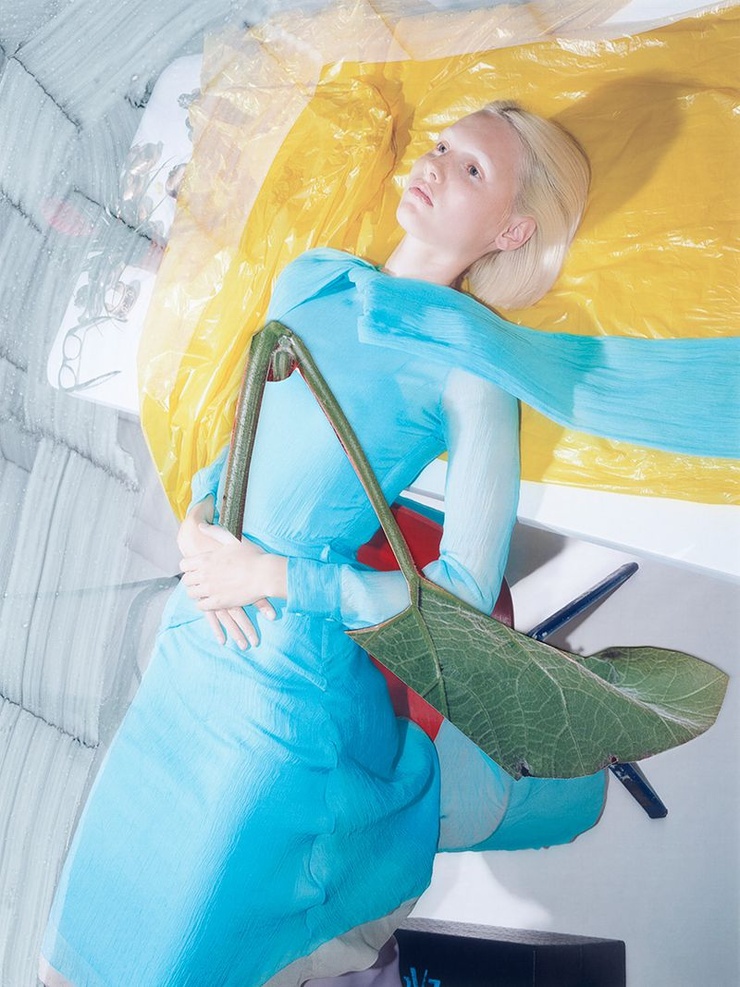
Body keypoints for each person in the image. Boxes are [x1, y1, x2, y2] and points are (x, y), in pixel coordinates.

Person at [37, 101, 662, 987]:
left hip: (280, 692)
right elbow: (242, 442)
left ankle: (570, 757)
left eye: (472, 170)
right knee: (67, 952)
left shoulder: (471, 367)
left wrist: (273, 573)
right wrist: (197, 515)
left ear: (511, 230)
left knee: (166, 959)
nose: (434, 165)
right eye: (442, 146)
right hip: (193, 641)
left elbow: (463, 590)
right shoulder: (312, 278)